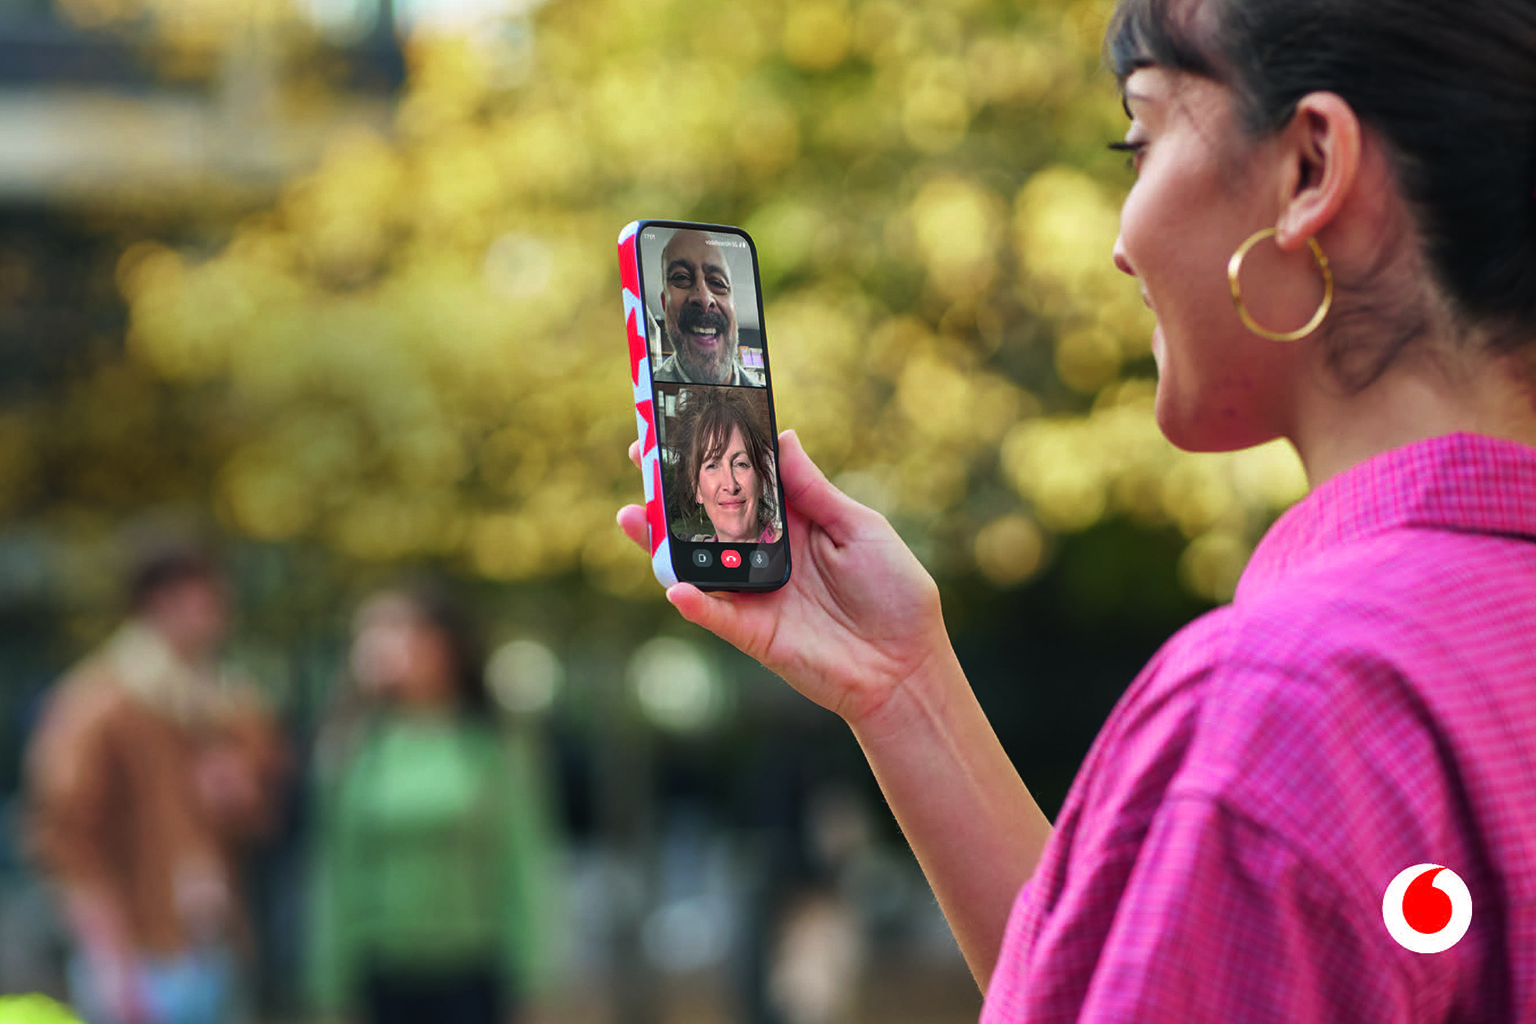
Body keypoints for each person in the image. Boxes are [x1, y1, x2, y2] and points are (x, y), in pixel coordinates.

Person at [620, 0, 1536, 1020]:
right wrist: (905, 690)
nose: (1120, 245)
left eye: (1139, 142)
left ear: (1310, 168)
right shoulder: (1457, 643)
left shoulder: (1286, 702)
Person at [25, 542, 287, 1024]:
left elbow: (263, 819)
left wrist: (241, 797)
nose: (221, 612)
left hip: (215, 941)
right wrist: (108, 955)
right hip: (139, 953)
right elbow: (63, 837)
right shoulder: (98, 702)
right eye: (207, 597)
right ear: (160, 601)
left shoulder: (227, 699)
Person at [306, 583, 561, 1024]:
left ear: (447, 646)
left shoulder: (490, 746)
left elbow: (522, 865)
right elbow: (335, 873)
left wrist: (532, 982)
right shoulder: (354, 747)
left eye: (408, 634)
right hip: (380, 977)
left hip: (472, 978)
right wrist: (328, 987)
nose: (392, 650)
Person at [667, 386, 782, 544]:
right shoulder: (692, 560)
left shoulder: (794, 551)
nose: (730, 485)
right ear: (697, 489)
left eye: (741, 464)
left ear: (760, 479)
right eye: (712, 466)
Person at [652, 229, 765, 387]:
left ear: (734, 308)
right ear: (665, 304)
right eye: (682, 278)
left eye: (717, 283)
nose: (704, 299)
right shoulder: (646, 392)